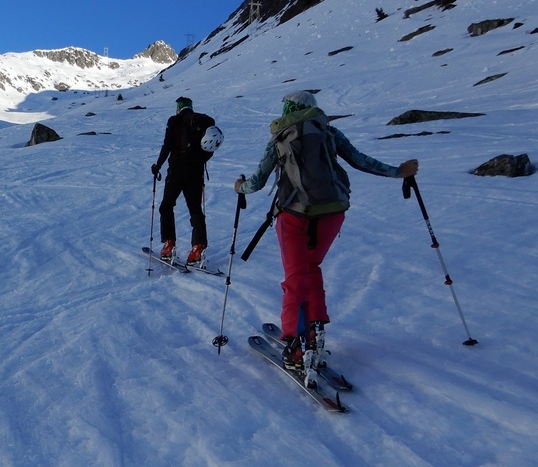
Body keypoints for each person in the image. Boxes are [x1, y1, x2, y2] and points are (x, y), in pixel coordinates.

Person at [233, 91, 418, 372]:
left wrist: (239, 187)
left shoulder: (280, 138)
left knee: (295, 277)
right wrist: (398, 171)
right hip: (333, 212)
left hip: (294, 216)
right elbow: (360, 160)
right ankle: (316, 328)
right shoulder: (329, 132)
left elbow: (257, 182)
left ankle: (296, 344)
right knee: (312, 266)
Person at [151, 96, 219, 264]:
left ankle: (169, 244)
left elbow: (167, 145)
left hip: (177, 170)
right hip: (196, 171)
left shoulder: (175, 121)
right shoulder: (201, 122)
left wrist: (157, 165)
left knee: (166, 206)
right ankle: (198, 248)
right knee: (195, 208)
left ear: (179, 107)